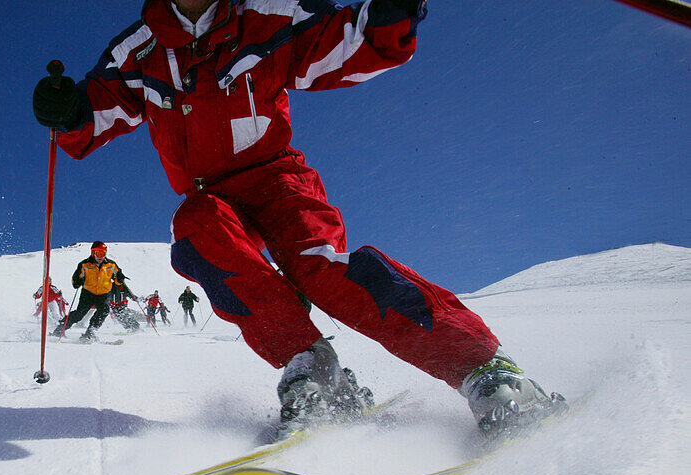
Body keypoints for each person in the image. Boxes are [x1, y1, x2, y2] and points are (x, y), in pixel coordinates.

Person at [31, 0, 562, 434]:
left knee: (320, 267)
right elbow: (100, 108)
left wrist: (388, 16)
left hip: (277, 179)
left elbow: (340, 41)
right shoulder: (138, 49)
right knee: (195, 234)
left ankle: (486, 370)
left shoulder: (265, 14)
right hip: (210, 195)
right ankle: (313, 368)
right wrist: (69, 111)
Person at [52, 241, 125, 342]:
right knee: (79, 314)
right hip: (88, 293)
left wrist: (120, 279)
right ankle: (60, 329)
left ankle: (90, 332)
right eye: (98, 254)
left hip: (103, 294)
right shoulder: (85, 264)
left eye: (103, 254)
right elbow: (75, 280)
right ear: (93, 253)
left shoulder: (111, 265)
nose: (101, 256)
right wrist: (77, 282)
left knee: (104, 311)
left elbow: (117, 279)